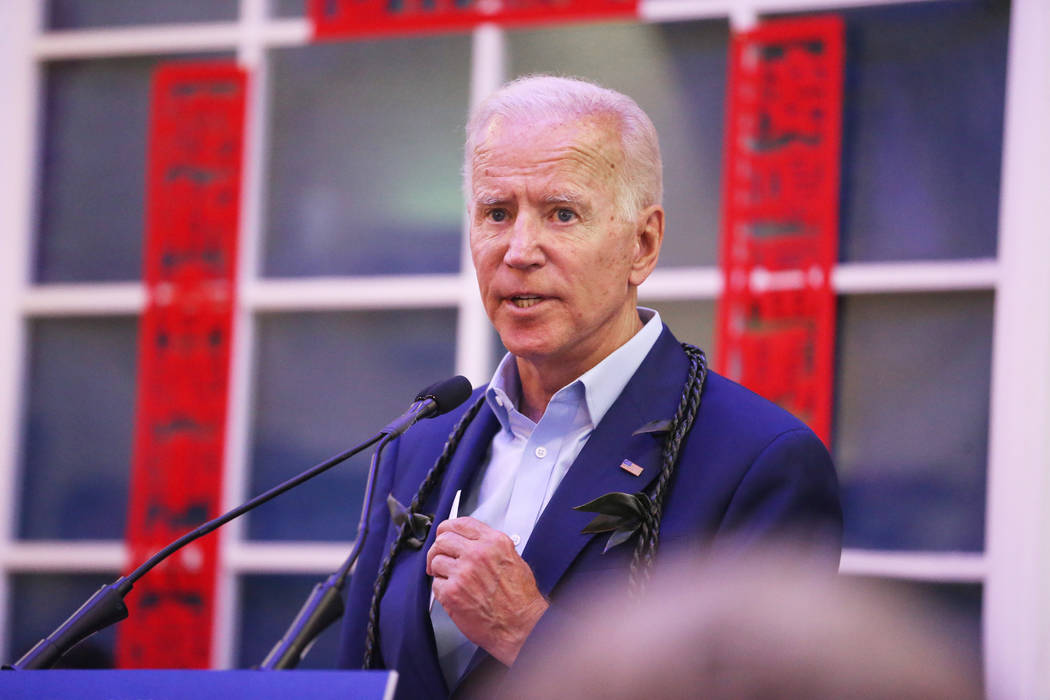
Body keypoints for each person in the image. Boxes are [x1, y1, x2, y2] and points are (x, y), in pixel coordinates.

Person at [337, 74, 842, 699]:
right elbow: (357, 676)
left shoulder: (759, 462)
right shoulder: (417, 444)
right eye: (497, 213)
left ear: (643, 244)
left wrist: (529, 630)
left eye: (562, 213)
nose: (520, 250)